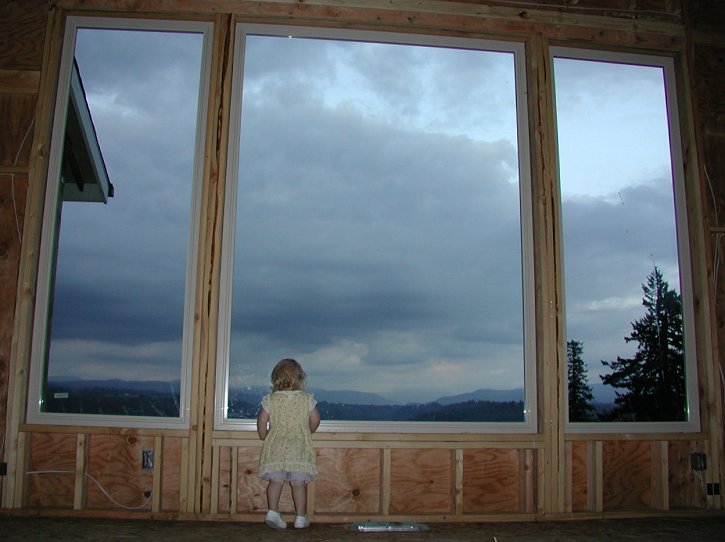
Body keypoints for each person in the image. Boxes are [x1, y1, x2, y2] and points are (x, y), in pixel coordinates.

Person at [257, 358, 321, 529]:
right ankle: (300, 517)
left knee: (275, 481)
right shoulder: (306, 399)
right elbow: (316, 419)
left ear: (275, 378)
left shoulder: (271, 400)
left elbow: (262, 421)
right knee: (298, 483)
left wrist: (264, 436)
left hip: (276, 446)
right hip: (298, 447)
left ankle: (273, 511)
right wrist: (308, 431)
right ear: (300, 378)